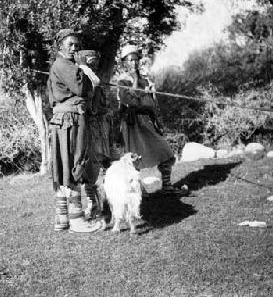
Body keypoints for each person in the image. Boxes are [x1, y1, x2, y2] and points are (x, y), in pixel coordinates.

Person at [47, 29, 104, 232]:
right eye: (70, 44)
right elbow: (81, 89)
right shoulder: (63, 65)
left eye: (76, 45)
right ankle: (77, 220)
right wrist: (85, 70)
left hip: (68, 120)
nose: (74, 48)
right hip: (69, 121)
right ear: (60, 46)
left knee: (66, 165)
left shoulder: (65, 66)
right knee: (74, 164)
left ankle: (62, 219)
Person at [116, 44, 181, 193]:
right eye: (130, 60)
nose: (133, 63)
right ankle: (138, 190)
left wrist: (159, 122)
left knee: (166, 153)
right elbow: (131, 102)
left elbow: (153, 104)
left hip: (148, 121)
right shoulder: (122, 82)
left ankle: (166, 186)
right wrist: (134, 82)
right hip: (132, 124)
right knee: (134, 159)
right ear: (124, 63)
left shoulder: (147, 81)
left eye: (136, 60)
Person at [75, 50, 112, 220]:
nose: (93, 65)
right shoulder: (81, 79)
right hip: (85, 129)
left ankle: (104, 203)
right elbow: (89, 106)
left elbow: (102, 106)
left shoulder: (95, 81)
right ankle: (93, 203)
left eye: (95, 62)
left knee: (100, 165)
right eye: (90, 62)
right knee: (87, 168)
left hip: (99, 129)